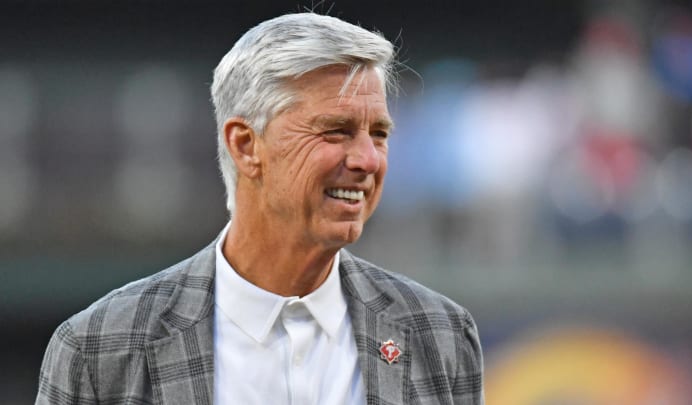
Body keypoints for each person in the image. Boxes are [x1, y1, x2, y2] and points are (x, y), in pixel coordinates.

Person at [36, 12, 484, 405]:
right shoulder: (100, 347)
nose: (368, 159)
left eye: (379, 133)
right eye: (336, 131)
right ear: (246, 145)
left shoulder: (439, 334)